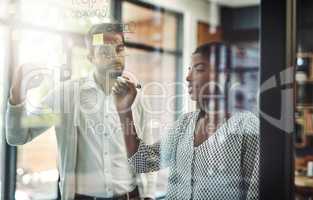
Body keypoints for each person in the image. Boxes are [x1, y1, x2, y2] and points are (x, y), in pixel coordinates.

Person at [6, 23, 156, 200]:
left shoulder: (137, 98)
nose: (115, 56)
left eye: (120, 48)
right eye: (104, 51)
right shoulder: (66, 96)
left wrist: (149, 195)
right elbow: (18, 137)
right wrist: (17, 93)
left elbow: (146, 154)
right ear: (91, 57)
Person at [112, 42, 260, 200]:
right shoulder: (185, 123)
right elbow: (142, 162)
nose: (188, 77)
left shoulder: (246, 126)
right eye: (190, 69)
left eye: (199, 69)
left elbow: (255, 192)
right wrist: (124, 110)